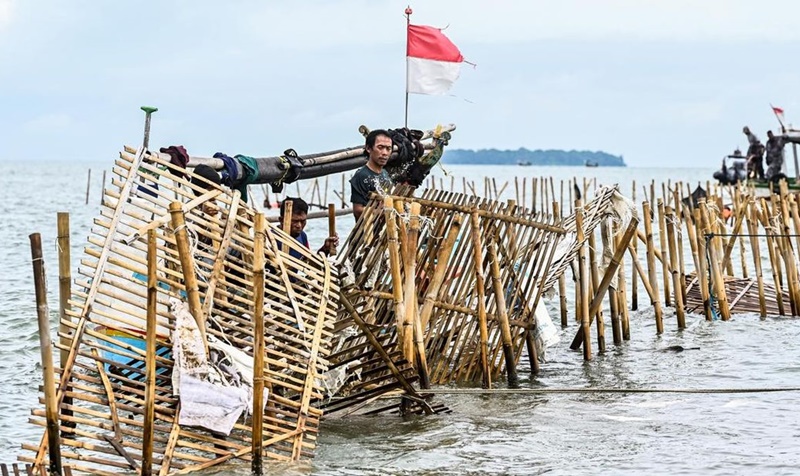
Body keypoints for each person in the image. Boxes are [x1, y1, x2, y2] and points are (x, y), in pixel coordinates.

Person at [350, 129, 395, 221]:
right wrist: (383, 212)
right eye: (380, 147)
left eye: (388, 148)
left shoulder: (385, 173)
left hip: (385, 231)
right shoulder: (361, 175)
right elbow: (358, 210)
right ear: (368, 148)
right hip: (368, 232)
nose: (385, 153)